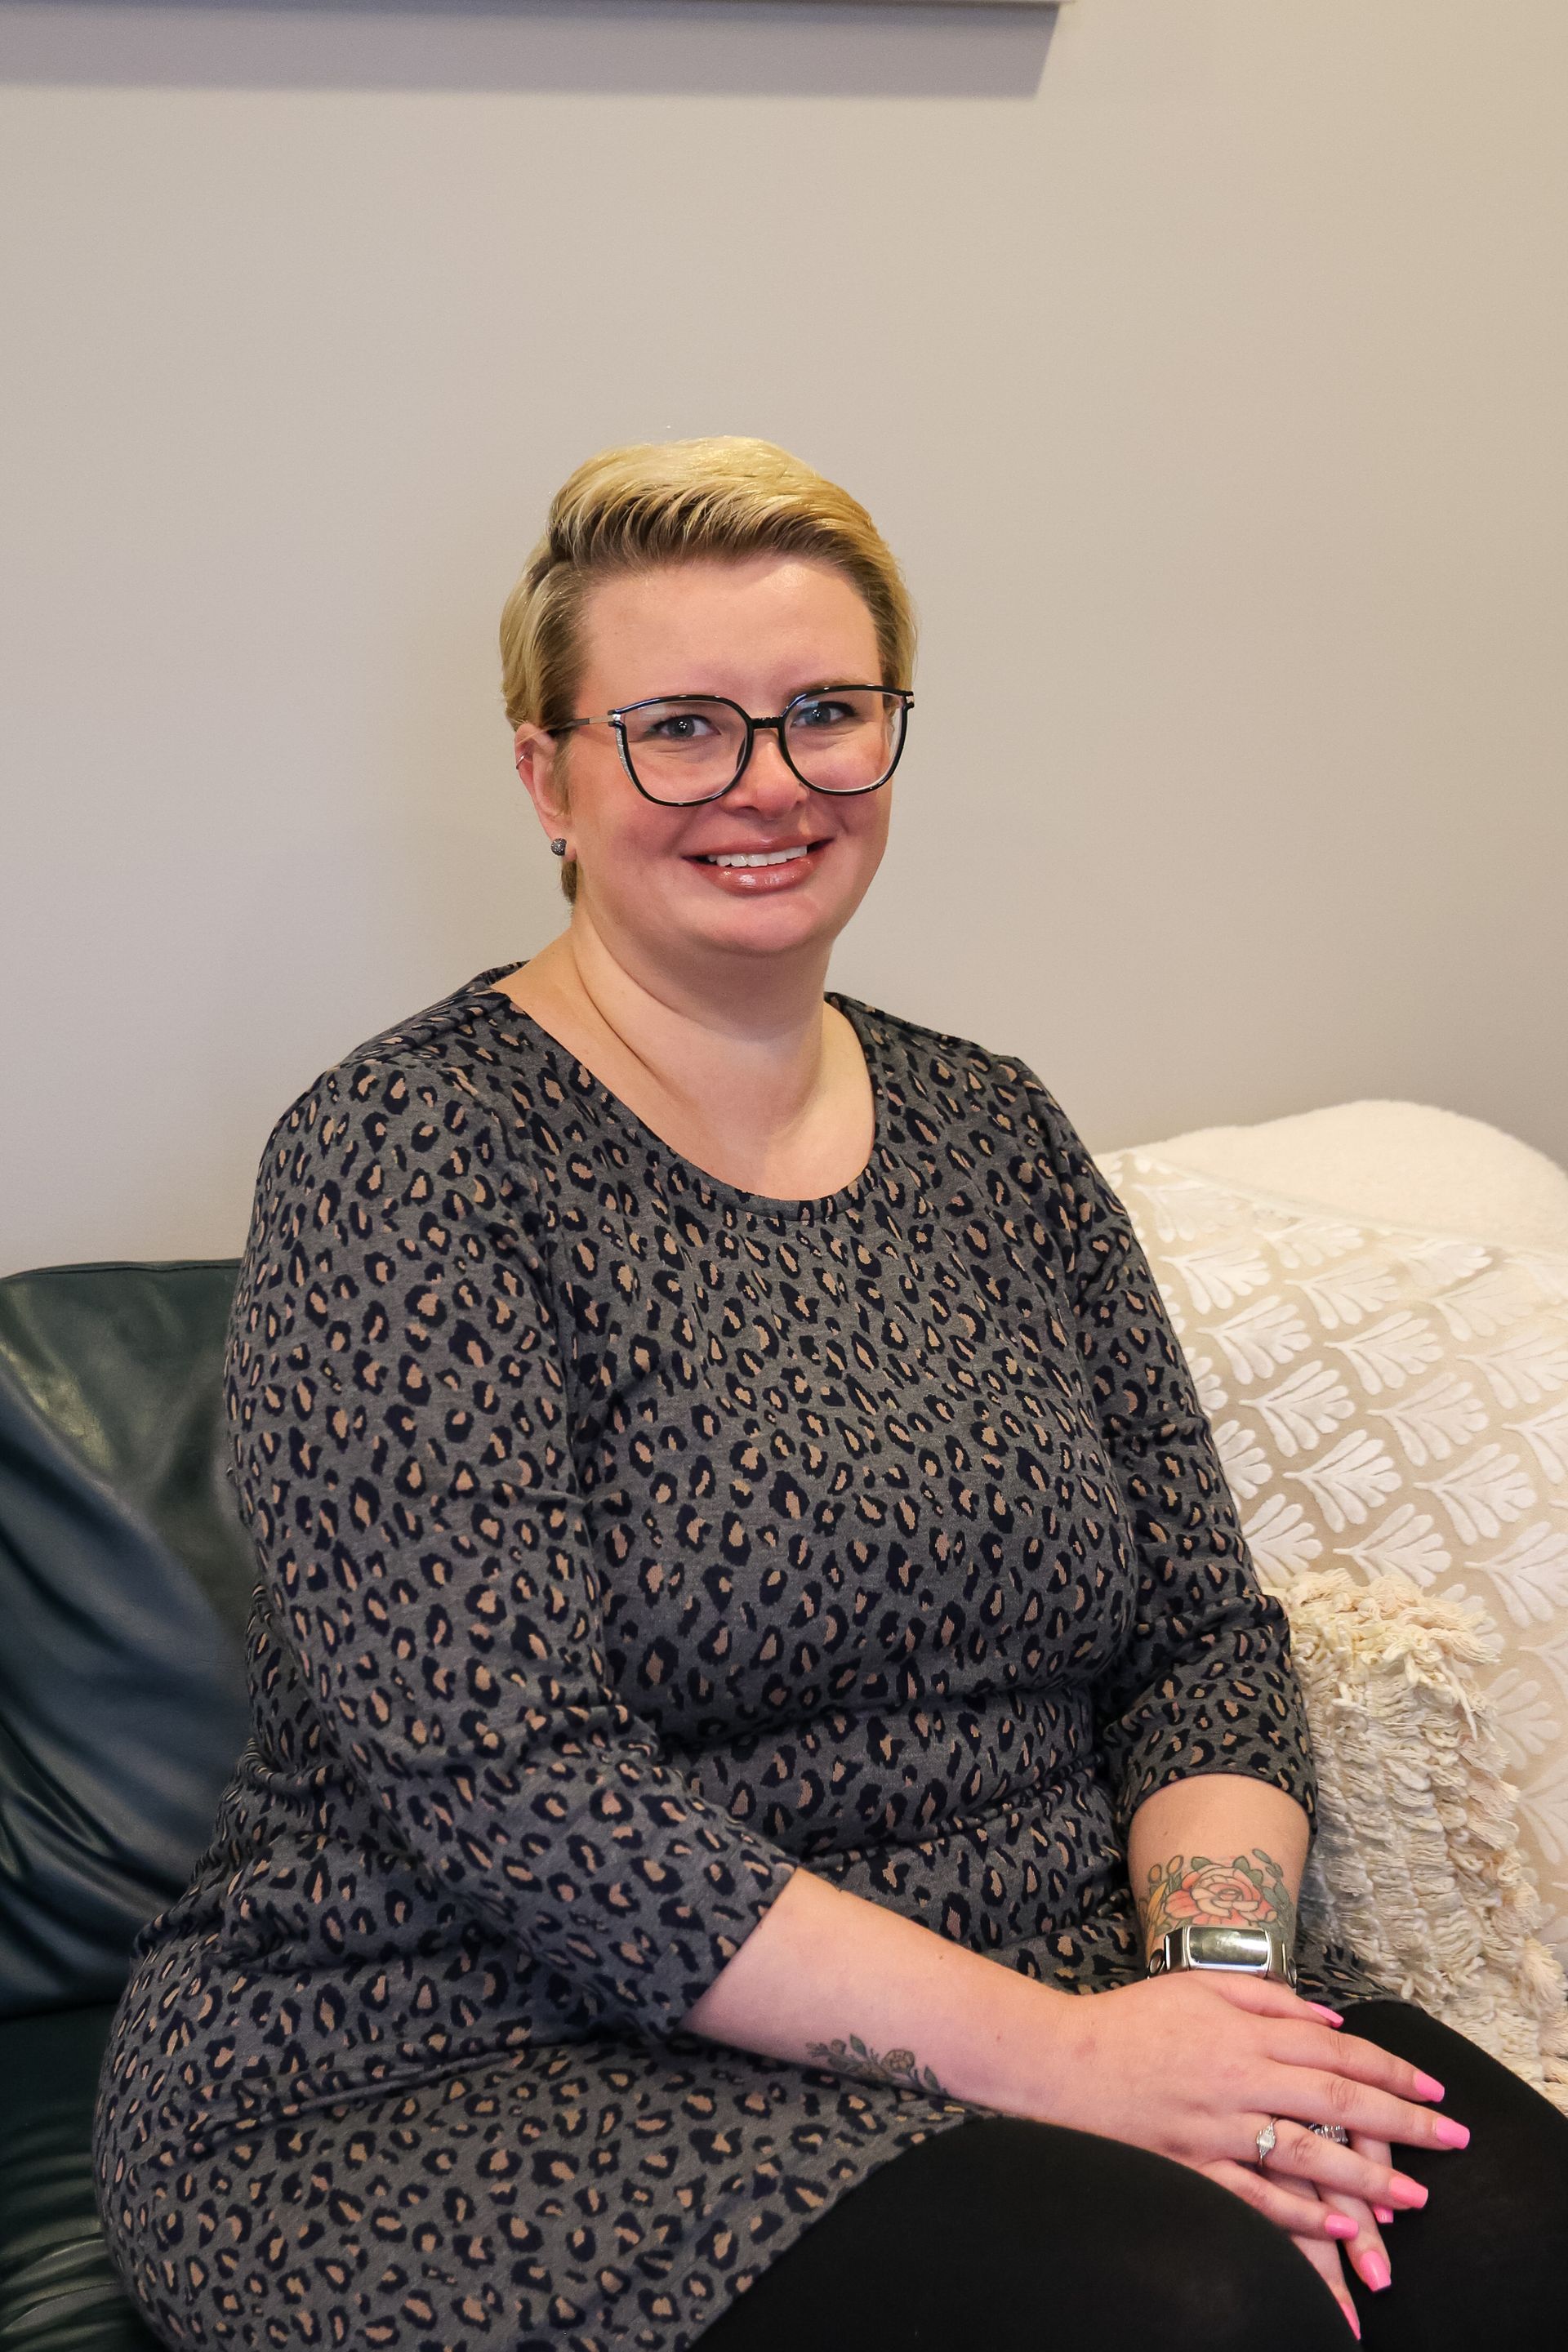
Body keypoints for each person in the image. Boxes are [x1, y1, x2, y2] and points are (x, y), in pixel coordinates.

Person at [95, 438, 1568, 2352]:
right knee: (1192, 2315)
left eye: (825, 716)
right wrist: (1066, 2066)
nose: (768, 783)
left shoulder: (993, 1129)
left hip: (1057, 1966)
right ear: (547, 773)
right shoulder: (407, 1158)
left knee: (1521, 2248)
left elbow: (1199, 1636)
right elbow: (511, 1785)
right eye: (681, 729)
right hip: (472, 2039)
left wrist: (1214, 2012)